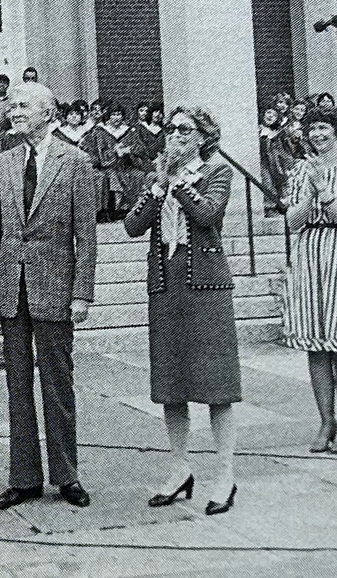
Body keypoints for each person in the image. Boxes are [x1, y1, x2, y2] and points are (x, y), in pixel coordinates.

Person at [0, 82, 96, 510]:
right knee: (16, 386)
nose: (13, 112)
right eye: (11, 106)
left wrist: (81, 293)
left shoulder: (76, 161)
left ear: (49, 113)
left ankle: (67, 475)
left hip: (56, 289)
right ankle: (24, 478)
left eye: (23, 106)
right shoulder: (4, 163)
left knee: (58, 383)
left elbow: (86, 237)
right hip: (13, 289)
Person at [124, 106, 240, 515]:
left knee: (215, 384)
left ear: (203, 137)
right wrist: (158, 186)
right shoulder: (159, 176)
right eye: (171, 129)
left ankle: (225, 474)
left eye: (184, 130)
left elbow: (208, 214)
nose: (175, 135)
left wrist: (176, 181)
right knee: (171, 383)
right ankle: (179, 467)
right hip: (165, 285)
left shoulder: (216, 172)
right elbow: (132, 226)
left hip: (205, 287)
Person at [282, 106, 337, 452]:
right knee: (316, 343)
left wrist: (325, 190)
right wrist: (311, 194)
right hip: (310, 252)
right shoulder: (300, 168)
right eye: (311, 129)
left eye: (323, 128)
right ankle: (326, 421)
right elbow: (292, 220)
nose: (317, 134)